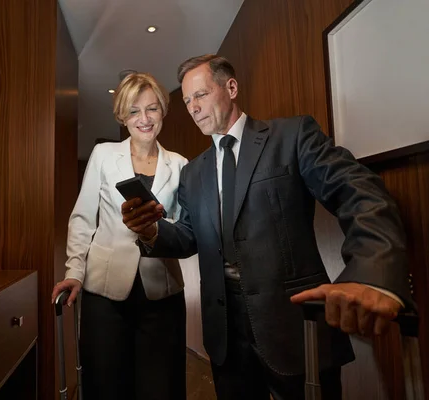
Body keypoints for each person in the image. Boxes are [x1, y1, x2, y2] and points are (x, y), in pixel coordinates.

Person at [121, 55, 414, 400]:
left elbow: (358, 192)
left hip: (292, 324)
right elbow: (188, 236)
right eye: (186, 101)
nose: (193, 108)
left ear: (230, 88)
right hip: (227, 336)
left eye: (200, 95)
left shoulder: (291, 136)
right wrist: (152, 231)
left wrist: (372, 270)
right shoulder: (193, 172)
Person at [51, 72, 188, 400]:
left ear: (163, 112)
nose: (144, 118)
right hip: (105, 294)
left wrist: (156, 226)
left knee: (161, 387)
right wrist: (74, 273)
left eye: (152, 109)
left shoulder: (182, 165)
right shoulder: (103, 156)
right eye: (134, 111)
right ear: (121, 117)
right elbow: (83, 219)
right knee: (106, 385)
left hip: (163, 295)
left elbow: (186, 230)